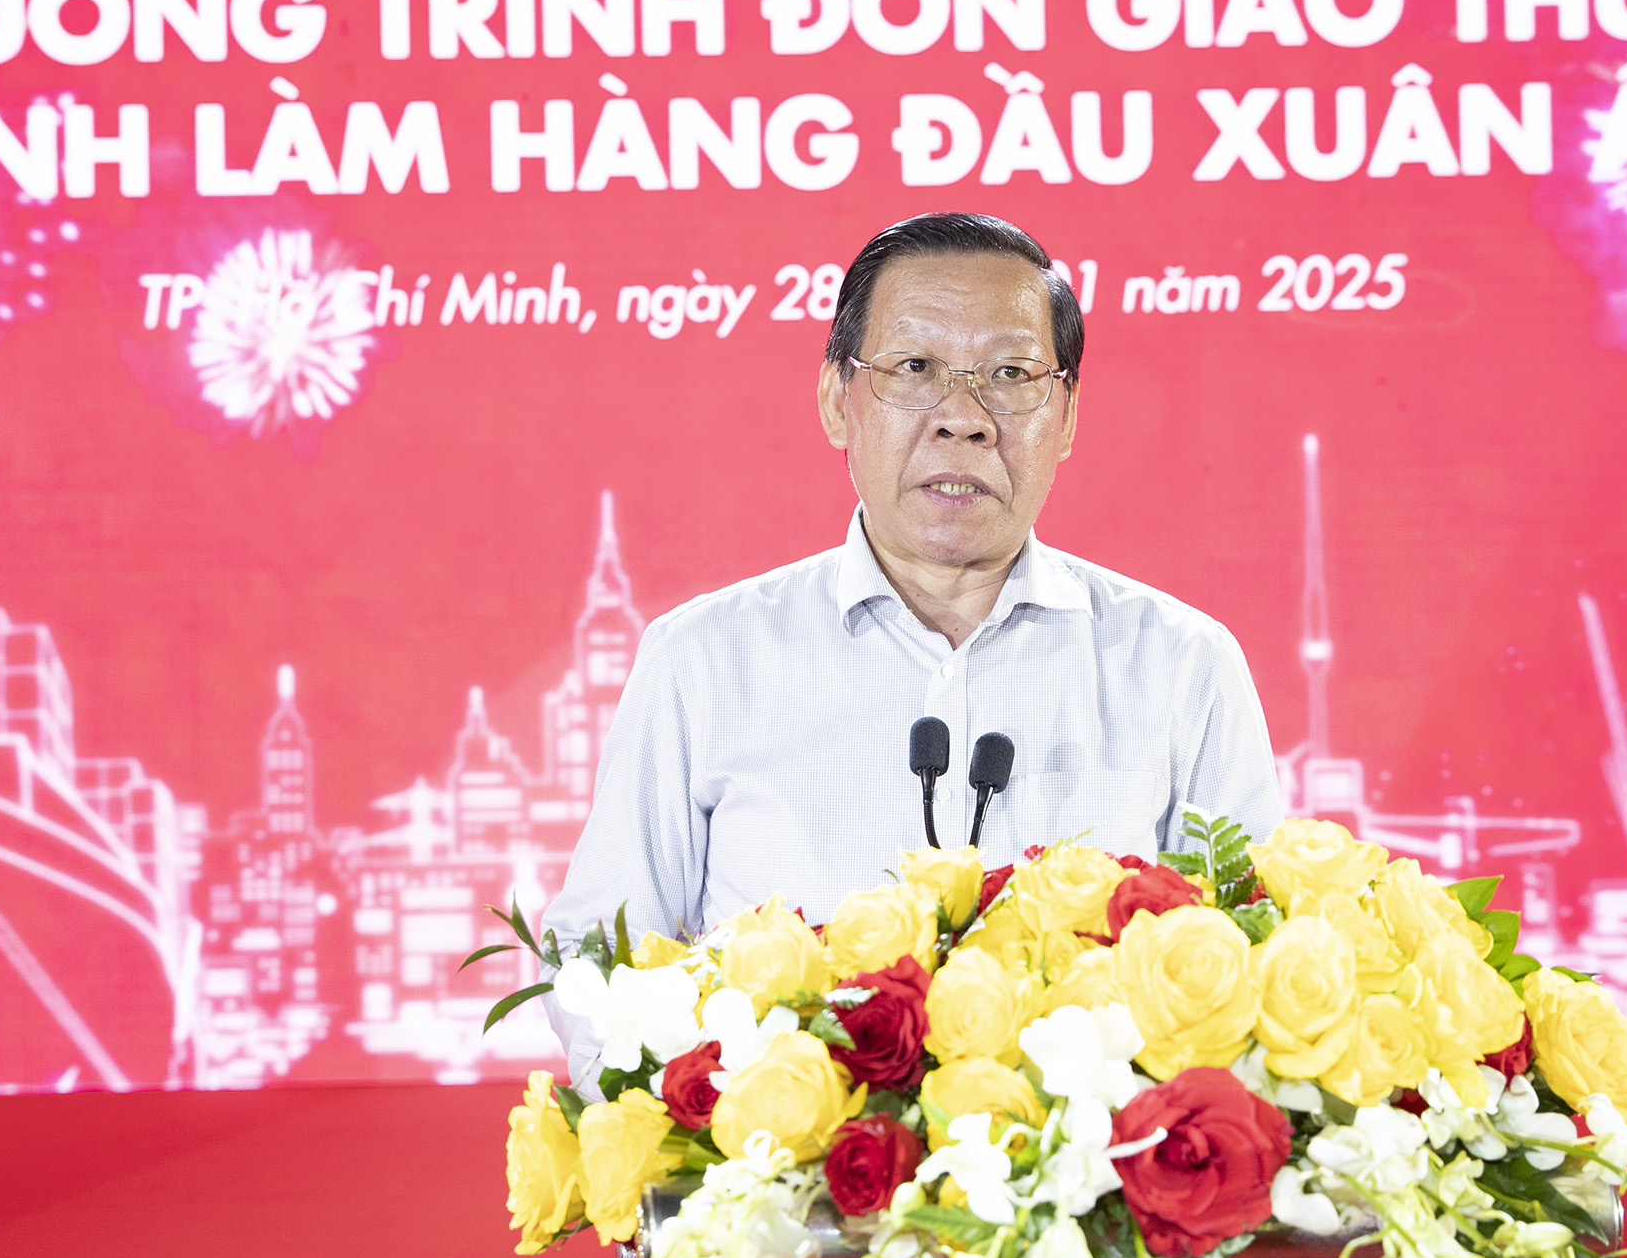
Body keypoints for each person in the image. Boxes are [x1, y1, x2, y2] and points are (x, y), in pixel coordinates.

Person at [542, 211, 1284, 957]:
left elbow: (1255, 950)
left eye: (1011, 374)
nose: (963, 419)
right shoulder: (701, 661)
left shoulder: (1184, 666)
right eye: (915, 368)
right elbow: (595, 956)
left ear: (1066, 418)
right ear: (837, 400)